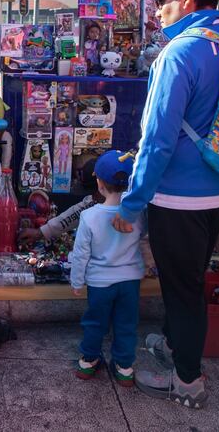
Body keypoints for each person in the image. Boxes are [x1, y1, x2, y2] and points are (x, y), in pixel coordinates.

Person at [112, 0, 219, 409]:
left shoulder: (180, 52)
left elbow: (157, 142)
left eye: (163, 0)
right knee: (190, 277)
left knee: (184, 291)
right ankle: (173, 344)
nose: (157, 10)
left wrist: (132, 204)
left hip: (180, 198)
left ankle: (187, 381)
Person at [70, 150, 144, 387]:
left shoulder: (89, 216)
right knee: (126, 324)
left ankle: (88, 361)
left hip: (99, 284)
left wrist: (77, 282)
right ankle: (124, 367)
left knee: (95, 323)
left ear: (99, 183)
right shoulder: (139, 214)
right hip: (130, 282)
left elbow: (81, 253)